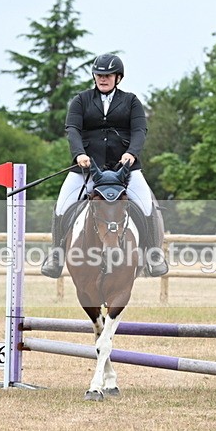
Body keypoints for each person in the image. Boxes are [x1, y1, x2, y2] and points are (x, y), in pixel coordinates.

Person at [41, 53, 168, 278]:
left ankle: (154, 254)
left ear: (118, 77)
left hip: (125, 169)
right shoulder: (81, 100)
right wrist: (79, 154)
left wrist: (131, 153)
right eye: (99, 75)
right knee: (62, 204)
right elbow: (72, 129)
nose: (103, 79)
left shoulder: (131, 101)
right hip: (88, 168)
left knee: (147, 205)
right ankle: (56, 255)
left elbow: (139, 131)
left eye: (108, 75)